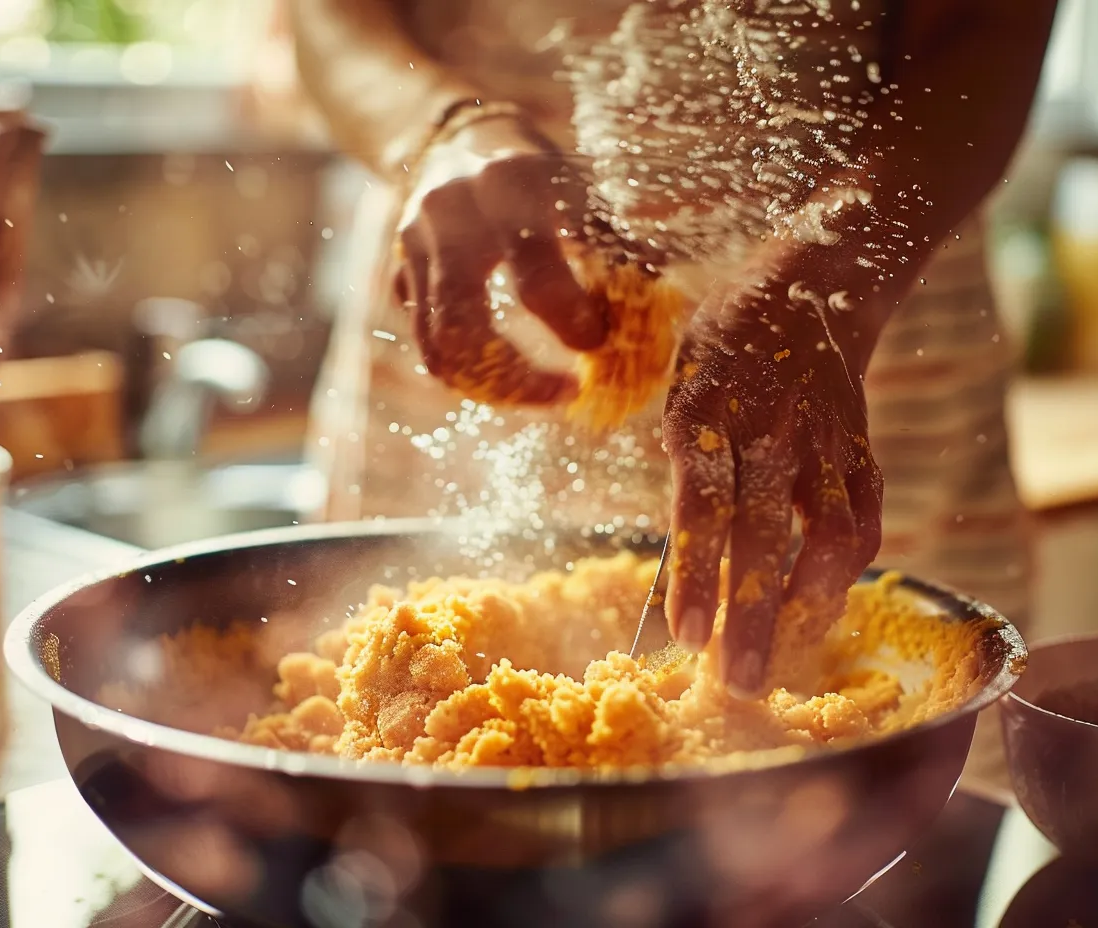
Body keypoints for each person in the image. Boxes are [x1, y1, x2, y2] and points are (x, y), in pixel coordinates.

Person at [285, 0, 1058, 703]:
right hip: (468, 311)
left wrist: (835, 269)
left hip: (862, 357)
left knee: (885, 771)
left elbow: (987, 31)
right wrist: (438, 124)